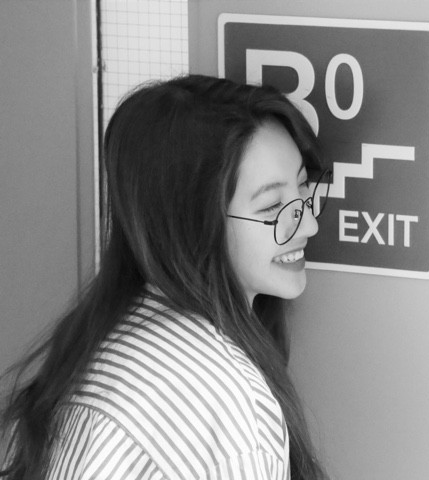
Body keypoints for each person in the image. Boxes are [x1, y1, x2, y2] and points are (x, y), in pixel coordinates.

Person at [0, 74, 331, 479]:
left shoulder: (109, 337)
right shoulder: (224, 396)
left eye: (303, 189)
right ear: (192, 220)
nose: (308, 224)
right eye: (271, 207)